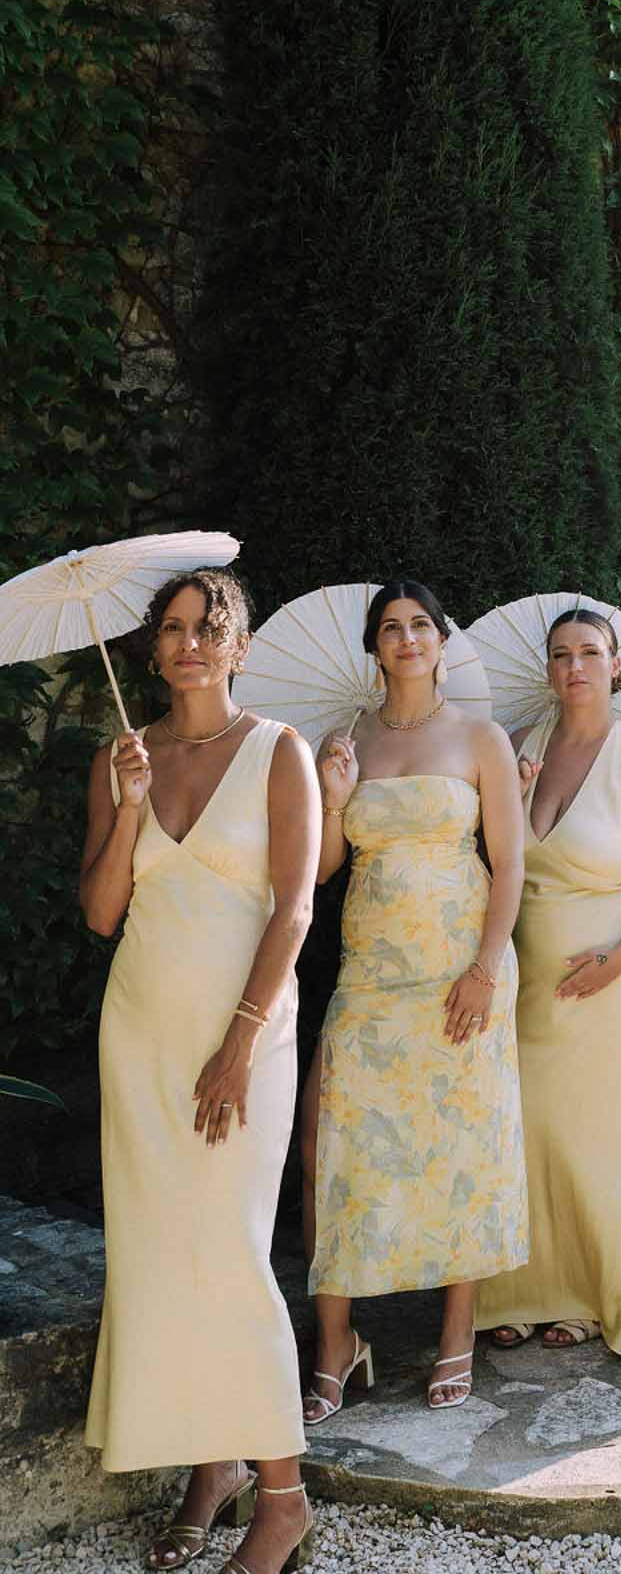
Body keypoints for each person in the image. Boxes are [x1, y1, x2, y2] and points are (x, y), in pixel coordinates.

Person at [80, 569, 317, 1574]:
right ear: (154, 647)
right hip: (140, 1032)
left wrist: (240, 1040)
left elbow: (294, 908)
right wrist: (130, 805)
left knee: (229, 1252)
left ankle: (284, 1498)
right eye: (172, 629)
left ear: (239, 646)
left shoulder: (279, 749)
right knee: (161, 1253)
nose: (188, 644)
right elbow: (101, 912)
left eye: (207, 628)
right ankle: (213, 1464)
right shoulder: (121, 758)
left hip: (244, 1036)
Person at [300, 581, 528, 1414]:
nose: (406, 639)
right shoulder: (347, 738)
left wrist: (484, 968)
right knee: (329, 1141)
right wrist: (332, 797)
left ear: (441, 640)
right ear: (374, 647)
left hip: (460, 963)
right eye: (391, 628)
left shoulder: (480, 737)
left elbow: (510, 861)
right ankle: (337, 1340)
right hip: (370, 970)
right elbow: (323, 869)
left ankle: (455, 1332)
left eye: (420, 625)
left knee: (463, 1139)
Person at [476, 607, 621, 1356]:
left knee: (605, 1139)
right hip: (533, 976)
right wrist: (517, 794)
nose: (576, 666)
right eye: (562, 654)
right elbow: (493, 860)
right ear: (548, 669)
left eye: (591, 653)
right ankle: (523, 1289)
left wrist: (618, 959)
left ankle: (595, 1295)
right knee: (532, 1131)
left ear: (615, 666)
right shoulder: (516, 748)